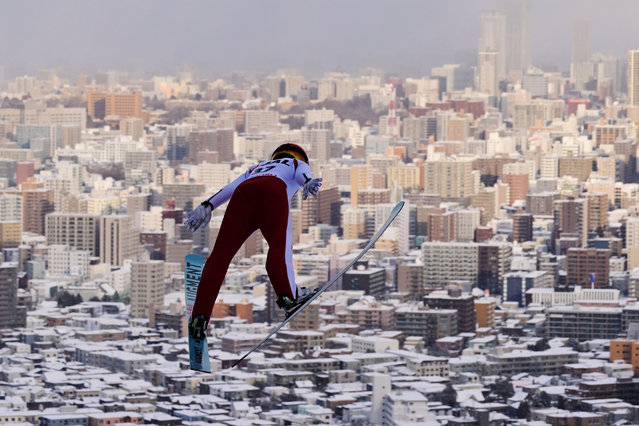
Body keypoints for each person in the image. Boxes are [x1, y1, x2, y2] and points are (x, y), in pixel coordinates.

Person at [185, 143, 322, 339]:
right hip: (272, 191)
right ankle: (289, 297)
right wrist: (307, 182)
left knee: (219, 257)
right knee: (280, 246)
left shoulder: (256, 168)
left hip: (243, 195)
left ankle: (199, 317)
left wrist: (208, 204)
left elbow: (231, 188)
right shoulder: (294, 162)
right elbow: (303, 175)